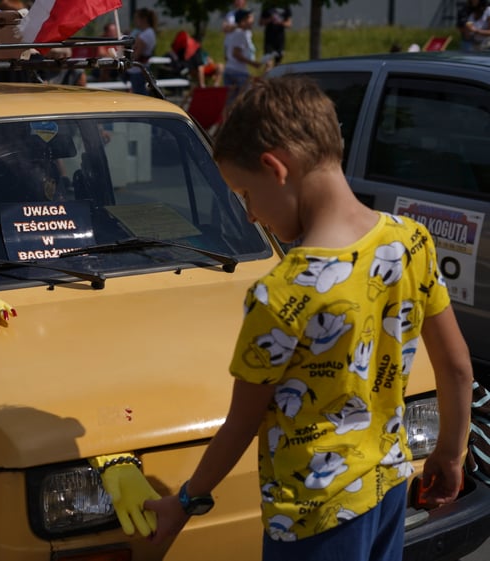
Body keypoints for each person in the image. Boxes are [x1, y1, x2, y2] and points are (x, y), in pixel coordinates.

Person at [144, 75, 474, 561]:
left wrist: (185, 502)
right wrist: (449, 452)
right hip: (387, 489)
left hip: (311, 517)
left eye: (246, 195)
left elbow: (241, 424)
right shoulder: (411, 241)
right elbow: (458, 368)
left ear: (275, 168)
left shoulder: (281, 291)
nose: (251, 215)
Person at [223, 8, 263, 104]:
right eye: (250, 18)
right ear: (243, 21)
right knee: (244, 101)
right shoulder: (241, 34)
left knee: (231, 102)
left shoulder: (238, 33)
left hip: (230, 69)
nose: (252, 21)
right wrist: (253, 63)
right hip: (238, 72)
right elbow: (236, 53)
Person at [126, 7, 157, 95]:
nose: (135, 21)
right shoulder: (144, 32)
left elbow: (136, 54)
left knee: (139, 94)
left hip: (138, 70)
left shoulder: (146, 34)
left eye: (137, 18)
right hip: (139, 69)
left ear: (143, 19)